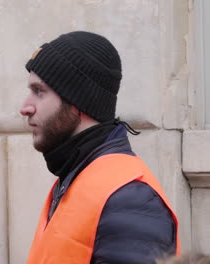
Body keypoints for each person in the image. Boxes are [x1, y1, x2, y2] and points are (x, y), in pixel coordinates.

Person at [20, 31, 179, 263]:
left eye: (39, 91)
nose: (25, 107)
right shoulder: (75, 177)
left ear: (77, 102)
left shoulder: (128, 198)